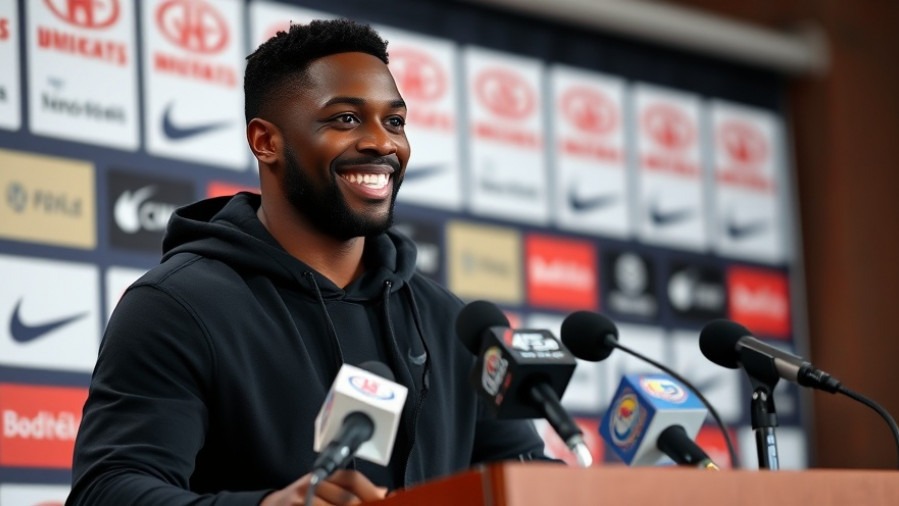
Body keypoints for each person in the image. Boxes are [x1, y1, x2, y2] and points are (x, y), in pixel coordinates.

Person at [67, 19, 549, 506]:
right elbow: (107, 491)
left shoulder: (448, 320)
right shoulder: (178, 306)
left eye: (395, 121)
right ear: (266, 142)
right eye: (345, 119)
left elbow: (522, 480)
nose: (382, 143)